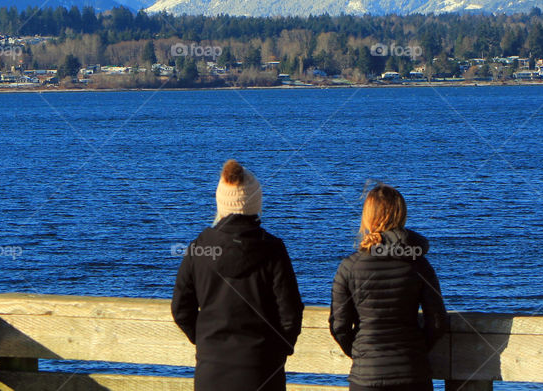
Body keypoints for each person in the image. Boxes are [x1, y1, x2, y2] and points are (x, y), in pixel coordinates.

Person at [172, 160, 304, 391]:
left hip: (211, 372)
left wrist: (205, 342)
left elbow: (181, 309)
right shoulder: (272, 250)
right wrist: (277, 352)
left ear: (221, 202)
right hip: (262, 370)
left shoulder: (199, 249)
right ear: (255, 203)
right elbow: (290, 313)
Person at [330, 184, 448, 391]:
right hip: (412, 373)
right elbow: (437, 322)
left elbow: (339, 326)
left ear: (368, 217)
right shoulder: (419, 264)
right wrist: (416, 350)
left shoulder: (349, 267)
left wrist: (361, 354)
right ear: (401, 215)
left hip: (366, 377)